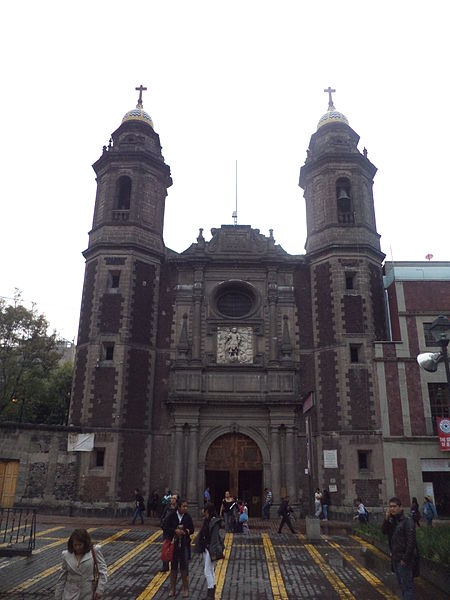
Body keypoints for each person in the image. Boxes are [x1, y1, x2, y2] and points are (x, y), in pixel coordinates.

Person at [54, 528, 107, 600]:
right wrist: (58, 597)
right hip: (69, 595)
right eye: (75, 545)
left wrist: (100, 589)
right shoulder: (66, 555)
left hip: (87, 594)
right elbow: (62, 577)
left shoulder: (94, 551)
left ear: (85, 543)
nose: (77, 547)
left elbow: (103, 571)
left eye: (80, 545)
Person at [382, 496, 418, 600]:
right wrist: (386, 519)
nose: (392, 509)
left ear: (400, 507)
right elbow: (384, 531)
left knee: (407, 586)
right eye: (390, 507)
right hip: (395, 558)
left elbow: (411, 541)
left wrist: (405, 559)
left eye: (394, 506)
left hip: (404, 560)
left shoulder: (407, 521)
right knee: (402, 585)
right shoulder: (392, 521)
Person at [165, 499, 194, 598]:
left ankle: (185, 589)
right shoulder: (172, 516)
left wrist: (185, 532)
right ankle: (172, 589)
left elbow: (192, 529)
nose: (185, 508)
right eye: (184, 506)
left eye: (186, 506)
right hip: (174, 544)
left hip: (184, 544)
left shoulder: (188, 517)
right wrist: (175, 531)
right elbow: (166, 527)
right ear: (179, 507)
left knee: (184, 568)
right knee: (173, 567)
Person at [195, 502, 224, 599]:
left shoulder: (214, 522)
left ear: (207, 510)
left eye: (204, 509)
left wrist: (213, 551)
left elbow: (215, 539)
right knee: (210, 569)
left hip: (210, 548)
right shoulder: (206, 520)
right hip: (205, 547)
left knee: (207, 570)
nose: (202, 510)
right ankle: (212, 588)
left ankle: (210, 591)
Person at [160, 493, 178, 572]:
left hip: (174, 532)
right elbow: (163, 516)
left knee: (174, 550)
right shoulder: (167, 508)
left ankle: (174, 566)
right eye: (172, 498)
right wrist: (162, 525)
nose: (172, 499)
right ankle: (165, 565)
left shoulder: (178, 510)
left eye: (174, 498)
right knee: (165, 549)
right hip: (167, 532)